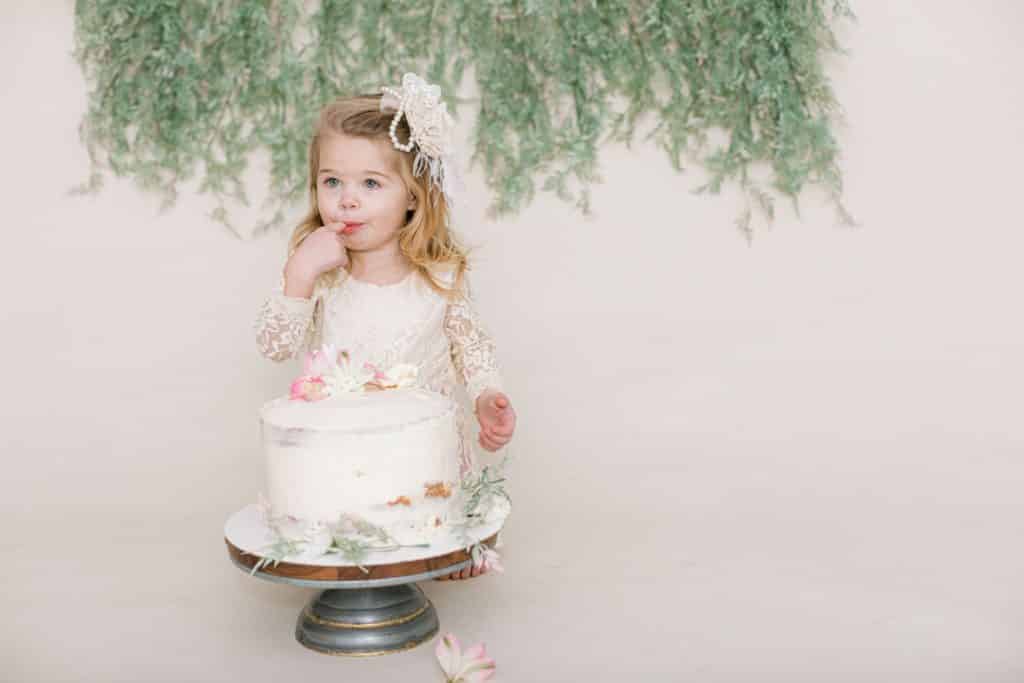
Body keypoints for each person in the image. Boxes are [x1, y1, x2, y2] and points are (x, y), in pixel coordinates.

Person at [253, 74, 516, 580]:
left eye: (370, 184)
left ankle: (445, 545)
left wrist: (488, 394)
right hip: (339, 464)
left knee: (433, 518)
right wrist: (300, 272)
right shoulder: (322, 275)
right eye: (332, 182)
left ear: (413, 196)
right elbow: (273, 344)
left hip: (425, 465)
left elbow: (472, 347)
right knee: (343, 526)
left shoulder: (441, 277)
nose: (346, 200)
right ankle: (348, 553)